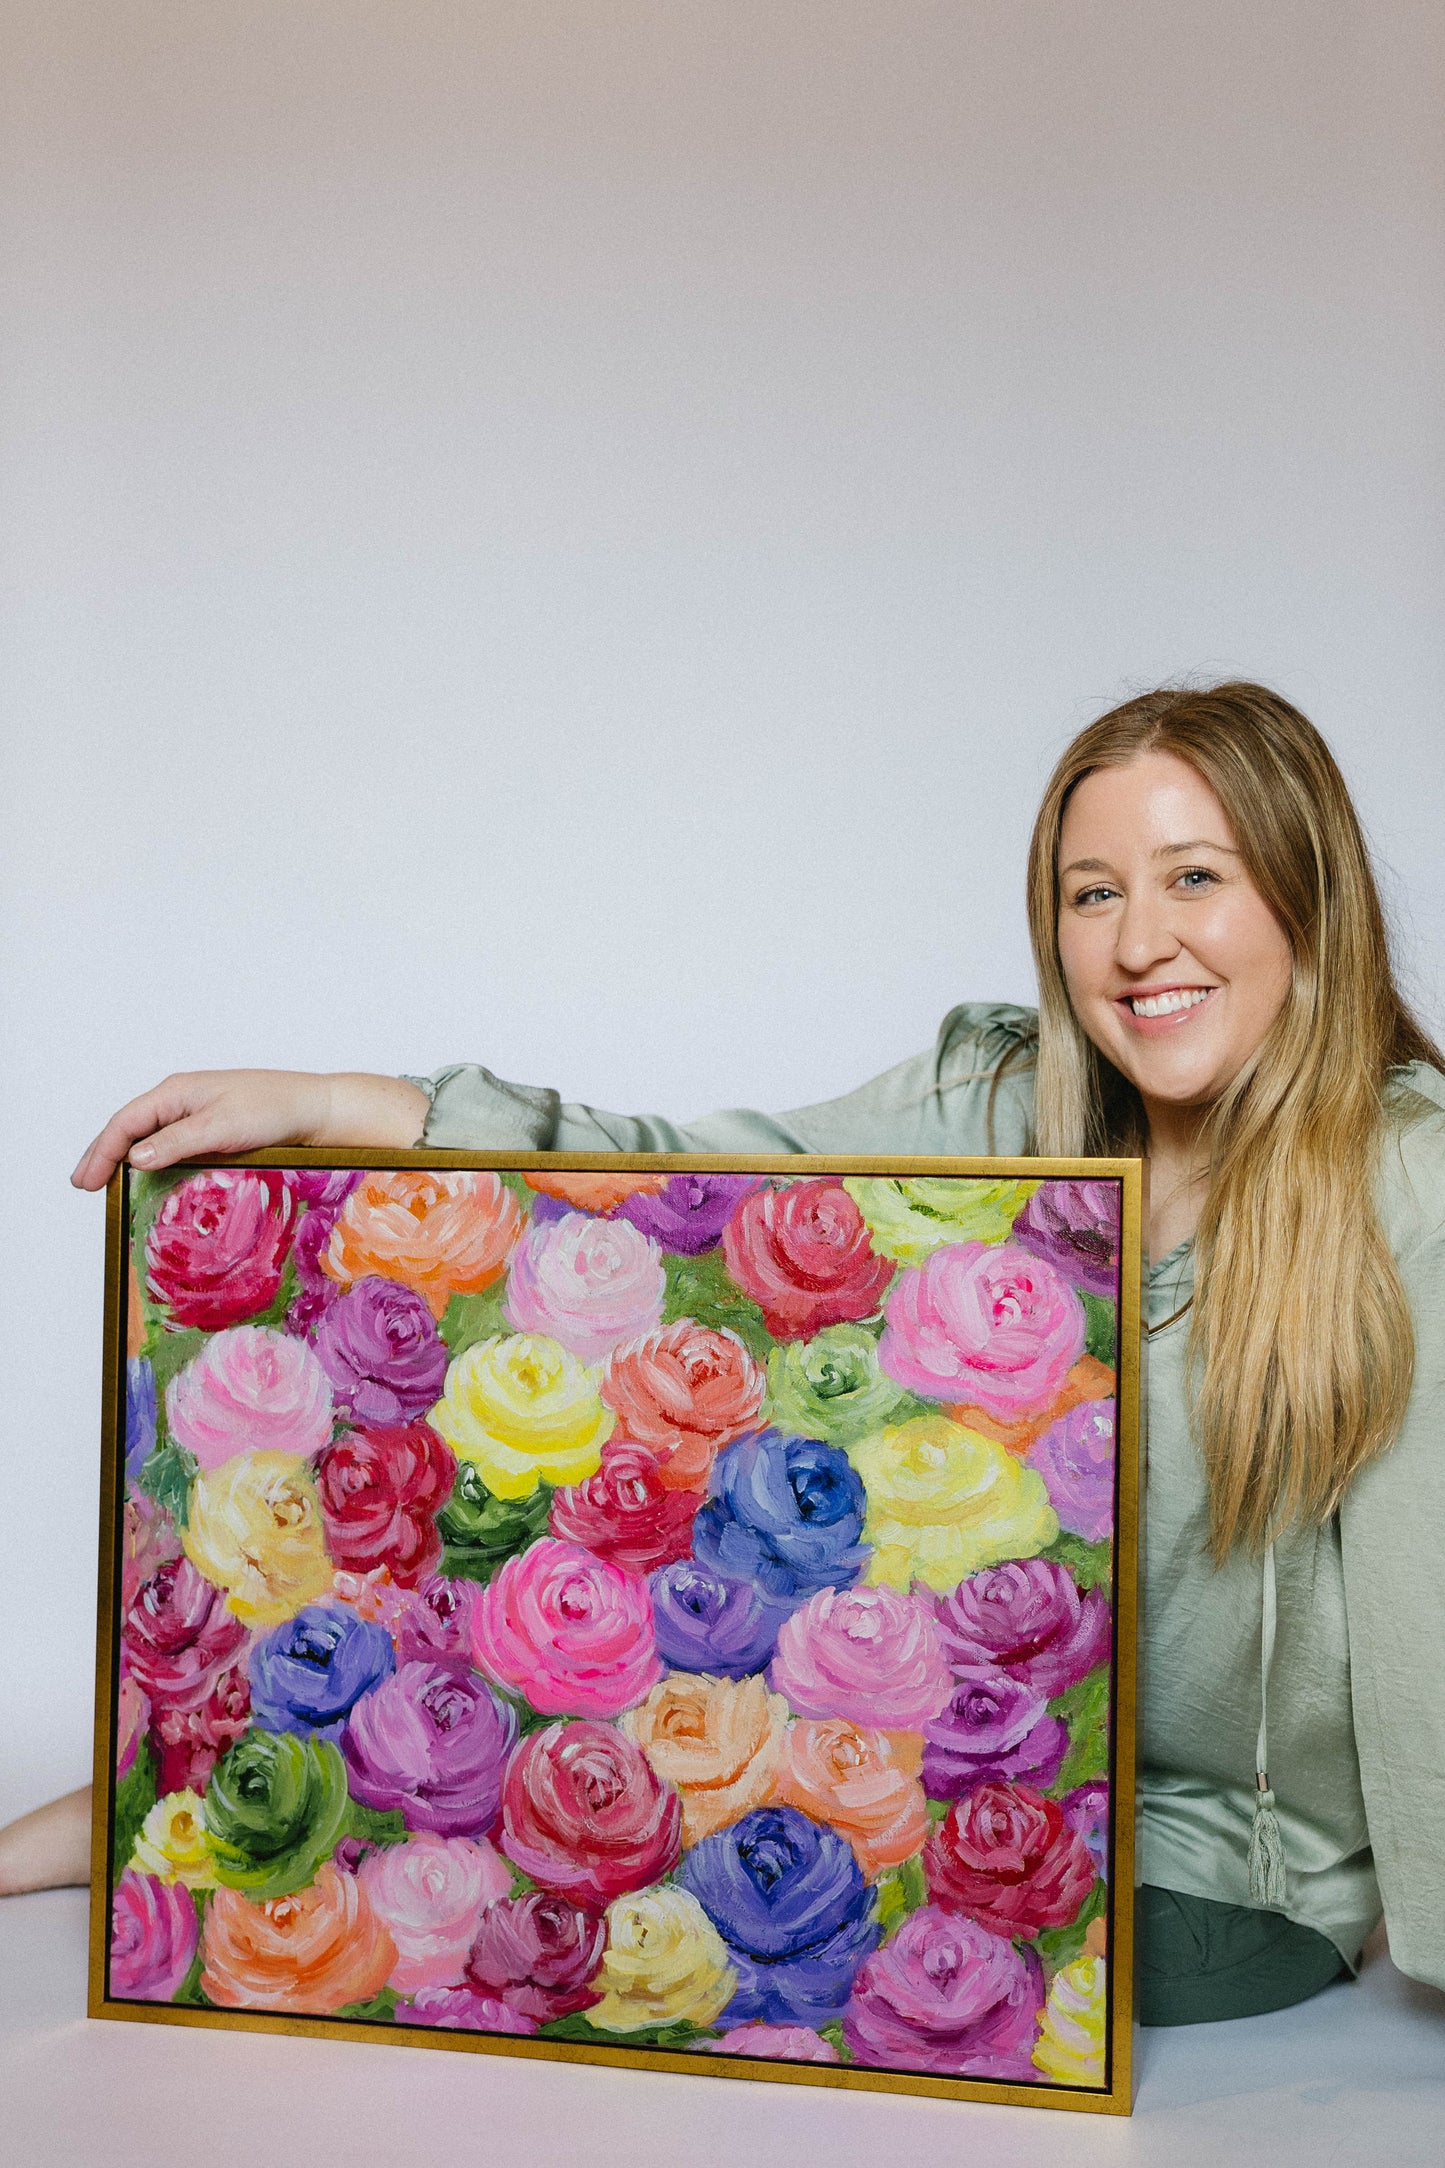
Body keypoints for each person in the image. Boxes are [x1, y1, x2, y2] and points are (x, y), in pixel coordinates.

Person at [6, 681, 1443, 2032]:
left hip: (1203, 1876)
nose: (1139, 943)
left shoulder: (1405, 1182)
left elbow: (1431, 1591)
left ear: (1303, 901)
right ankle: (156, 1802)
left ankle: (161, 1832)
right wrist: (334, 1097)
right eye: (1093, 894)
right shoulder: (1005, 1103)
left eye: (1195, 877)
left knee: (706, 1951)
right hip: (946, 1774)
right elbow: (687, 1177)